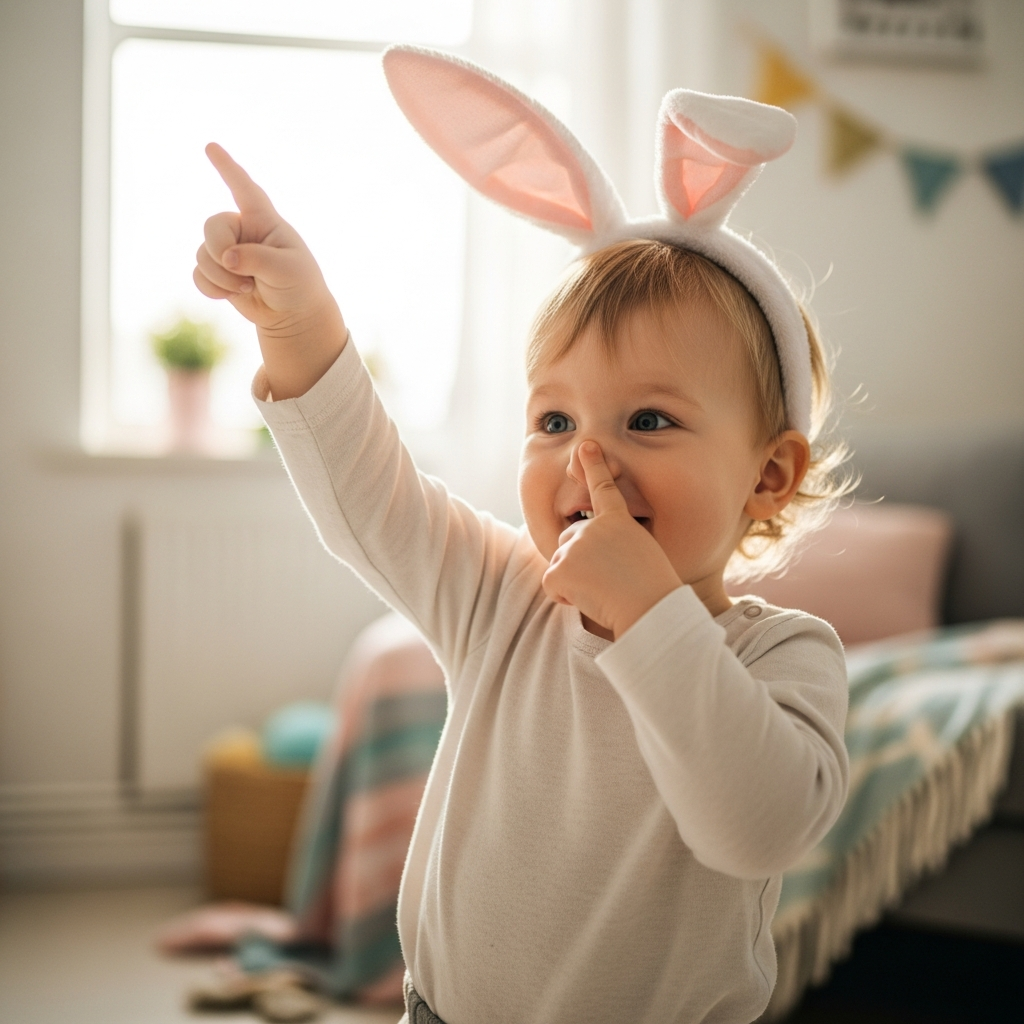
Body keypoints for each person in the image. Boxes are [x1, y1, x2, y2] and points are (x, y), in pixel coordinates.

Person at [193, 47, 850, 1024]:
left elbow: (755, 828)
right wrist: (299, 328)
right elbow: (372, 496)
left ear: (766, 476)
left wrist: (651, 612)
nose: (589, 461)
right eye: (553, 423)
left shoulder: (783, 658)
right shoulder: (504, 594)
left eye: (649, 420)